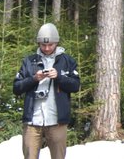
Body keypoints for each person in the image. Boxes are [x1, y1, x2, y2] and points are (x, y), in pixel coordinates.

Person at [13, 22, 81, 159]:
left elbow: (75, 86)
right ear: (39, 43)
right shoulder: (29, 61)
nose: (47, 48)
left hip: (57, 121)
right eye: (43, 45)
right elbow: (16, 88)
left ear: (56, 43)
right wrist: (34, 79)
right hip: (33, 121)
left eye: (51, 44)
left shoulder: (67, 61)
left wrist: (59, 77)